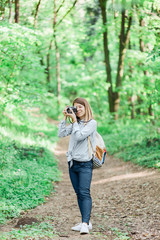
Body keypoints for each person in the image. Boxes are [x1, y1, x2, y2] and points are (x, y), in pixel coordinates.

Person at [58, 97, 97, 234]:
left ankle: (85, 224)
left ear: (86, 108)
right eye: (75, 107)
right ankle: (85, 222)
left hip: (85, 164)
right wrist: (65, 119)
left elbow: (80, 136)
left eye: (80, 107)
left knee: (84, 192)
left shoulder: (92, 123)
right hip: (72, 163)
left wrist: (74, 121)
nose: (78, 110)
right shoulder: (76, 122)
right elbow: (61, 133)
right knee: (79, 193)